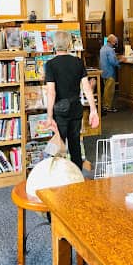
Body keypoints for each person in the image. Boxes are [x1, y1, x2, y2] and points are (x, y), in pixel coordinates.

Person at [45, 30, 99, 170]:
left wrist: (49, 116)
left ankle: (58, 177)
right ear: (69, 44)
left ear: (54, 45)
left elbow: (51, 92)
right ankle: (77, 175)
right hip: (76, 108)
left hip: (59, 110)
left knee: (58, 144)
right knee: (75, 143)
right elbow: (86, 88)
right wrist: (93, 110)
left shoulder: (50, 64)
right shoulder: (78, 62)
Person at [99, 34, 125, 113]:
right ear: (112, 42)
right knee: (110, 91)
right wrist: (120, 61)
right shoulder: (110, 50)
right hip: (110, 72)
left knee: (106, 89)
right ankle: (107, 106)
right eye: (115, 42)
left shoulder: (102, 48)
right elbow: (112, 61)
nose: (116, 44)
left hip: (103, 71)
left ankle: (104, 105)